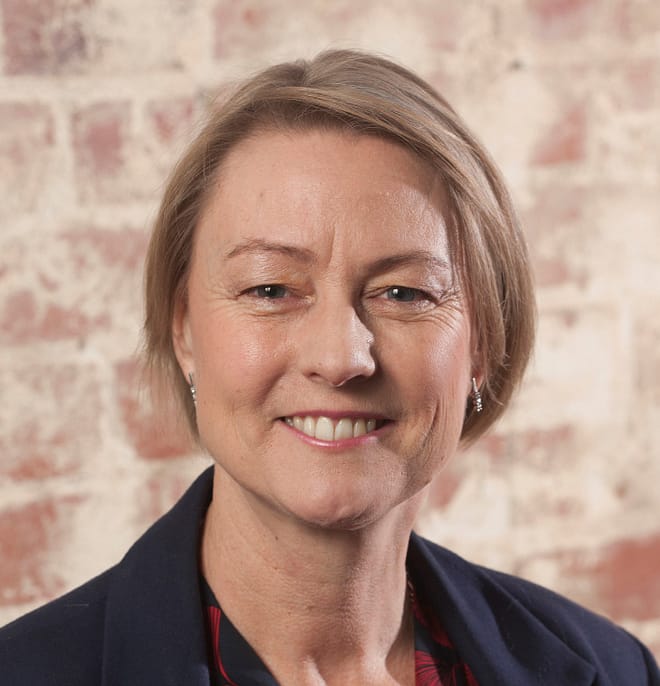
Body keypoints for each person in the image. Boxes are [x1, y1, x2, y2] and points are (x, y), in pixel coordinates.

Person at [0, 49, 658, 686]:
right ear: (184, 330)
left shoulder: (613, 669)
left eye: (404, 293)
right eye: (270, 290)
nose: (341, 358)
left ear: (482, 342)